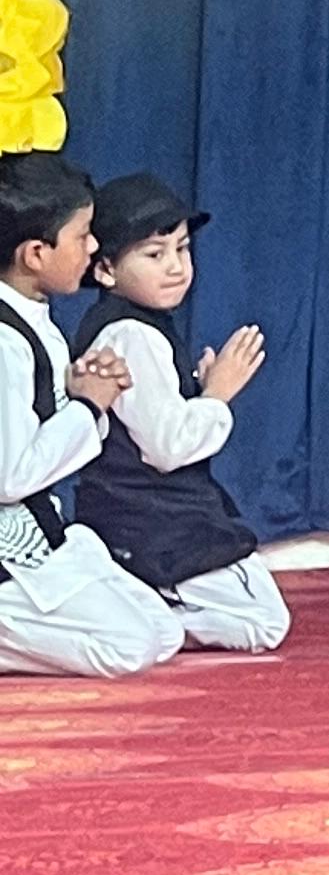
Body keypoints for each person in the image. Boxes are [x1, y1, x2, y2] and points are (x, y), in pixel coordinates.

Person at [62, 174, 288, 652]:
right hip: (151, 519)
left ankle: (139, 601)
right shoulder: (132, 335)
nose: (175, 267)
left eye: (182, 249)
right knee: (264, 624)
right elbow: (167, 449)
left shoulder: (136, 328)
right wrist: (217, 395)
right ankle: (144, 606)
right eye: (154, 254)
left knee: (260, 607)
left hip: (152, 516)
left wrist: (200, 393)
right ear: (105, 269)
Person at [0, 153, 182, 679]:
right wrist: (88, 404)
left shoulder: (36, 320)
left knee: (164, 632)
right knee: (126, 647)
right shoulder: (5, 342)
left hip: (44, 531)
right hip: (11, 548)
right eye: (82, 236)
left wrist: (83, 393)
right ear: (36, 254)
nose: (94, 247)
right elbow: (10, 476)